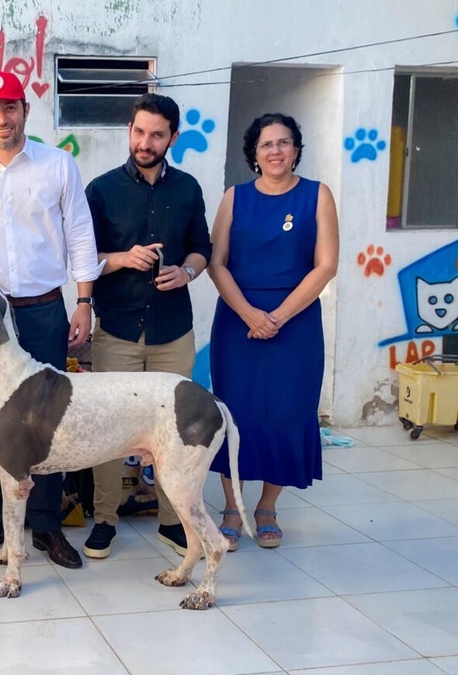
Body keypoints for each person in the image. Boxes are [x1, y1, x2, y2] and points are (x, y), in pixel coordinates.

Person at [0, 70, 102, 569]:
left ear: (25, 110)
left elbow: (79, 234)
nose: (2, 118)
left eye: (10, 107)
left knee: (47, 424)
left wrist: (84, 301)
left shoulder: (58, 165)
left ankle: (47, 525)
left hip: (45, 310)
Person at [83, 93, 212, 560]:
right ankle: (104, 520)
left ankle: (173, 521)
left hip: (172, 331)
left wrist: (188, 272)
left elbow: (203, 248)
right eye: (139, 132)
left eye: (157, 134)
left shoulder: (189, 188)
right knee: (108, 431)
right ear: (129, 132)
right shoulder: (100, 190)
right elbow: (81, 258)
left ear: (172, 138)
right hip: (117, 329)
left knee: (175, 431)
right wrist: (120, 258)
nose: (146, 142)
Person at [206, 113, 339, 549]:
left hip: (295, 325)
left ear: (296, 149)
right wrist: (249, 314)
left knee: (286, 413)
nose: (276, 151)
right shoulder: (235, 198)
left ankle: (266, 508)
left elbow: (326, 265)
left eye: (284, 143)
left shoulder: (317, 196)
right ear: (255, 154)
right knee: (235, 416)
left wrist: (277, 316)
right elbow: (216, 261)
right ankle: (230, 506)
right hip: (238, 322)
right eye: (267, 144)